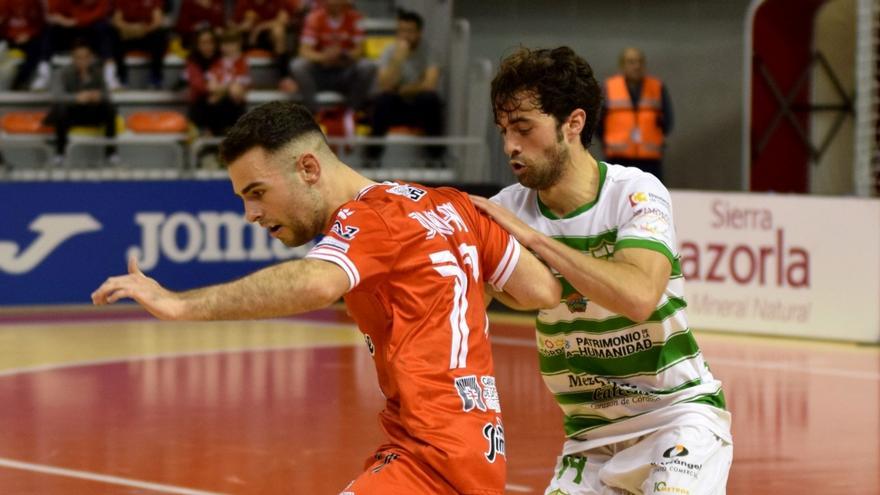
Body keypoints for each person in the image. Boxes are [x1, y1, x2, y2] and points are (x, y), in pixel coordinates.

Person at [91, 100, 562, 494]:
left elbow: (317, 282)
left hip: (429, 460)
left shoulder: (370, 219)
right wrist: (462, 288)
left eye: (257, 192)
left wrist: (179, 305)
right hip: (475, 449)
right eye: (241, 199)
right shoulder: (451, 204)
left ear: (309, 168)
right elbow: (540, 290)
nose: (251, 214)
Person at [471, 46, 732, 495]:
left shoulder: (634, 192)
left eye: (524, 128)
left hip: (677, 418)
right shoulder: (503, 211)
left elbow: (638, 297)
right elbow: (462, 311)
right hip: (590, 437)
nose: (510, 145)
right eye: (503, 130)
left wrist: (535, 240)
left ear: (573, 123)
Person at [365, 8, 444, 167]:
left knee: (430, 99)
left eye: (409, 31)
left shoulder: (430, 51)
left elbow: (430, 84)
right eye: (401, 31)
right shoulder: (390, 52)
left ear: (419, 32)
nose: (405, 35)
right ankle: (372, 156)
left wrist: (403, 89)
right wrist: (397, 60)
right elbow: (384, 85)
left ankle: (435, 157)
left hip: (418, 104)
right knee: (382, 101)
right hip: (396, 105)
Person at [598, 47, 673, 182]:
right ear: (622, 65)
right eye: (631, 62)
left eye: (640, 62)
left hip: (650, 162)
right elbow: (598, 123)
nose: (636, 66)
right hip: (617, 160)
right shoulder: (609, 87)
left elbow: (668, 122)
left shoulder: (657, 87)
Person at [288, 0, 375, 113]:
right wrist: (325, 57)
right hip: (320, 72)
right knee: (297, 65)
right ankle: (313, 112)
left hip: (345, 72)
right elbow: (304, 51)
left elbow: (359, 51)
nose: (334, 3)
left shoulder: (355, 18)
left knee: (367, 66)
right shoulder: (314, 18)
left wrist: (342, 55)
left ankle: (351, 113)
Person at [43, 39, 118, 166]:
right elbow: (57, 96)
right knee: (60, 110)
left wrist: (99, 96)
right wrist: (77, 98)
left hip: (92, 112)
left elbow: (107, 94)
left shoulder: (98, 72)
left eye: (85, 57)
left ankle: (111, 153)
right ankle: (60, 154)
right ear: (73, 58)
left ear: (91, 58)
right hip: (71, 113)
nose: (82, 61)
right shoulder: (61, 73)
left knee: (109, 108)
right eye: (78, 58)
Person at [35, 0, 118, 91]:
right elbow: (53, 13)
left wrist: (76, 21)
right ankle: (43, 75)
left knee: (105, 29)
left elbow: (102, 13)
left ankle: (110, 77)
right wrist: (63, 20)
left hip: (90, 29)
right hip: (68, 31)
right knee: (50, 31)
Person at [109, 0, 169, 88]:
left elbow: (157, 21)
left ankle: (156, 77)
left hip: (147, 34)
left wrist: (143, 29)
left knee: (160, 35)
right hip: (128, 35)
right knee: (114, 35)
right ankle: (121, 77)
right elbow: (117, 21)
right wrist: (131, 28)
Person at [0, 0, 47, 90]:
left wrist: (28, 35)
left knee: (36, 51)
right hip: (9, 37)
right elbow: (3, 22)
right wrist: (13, 35)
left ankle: (20, 83)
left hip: (29, 39)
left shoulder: (35, 3)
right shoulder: (5, 2)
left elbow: (40, 24)